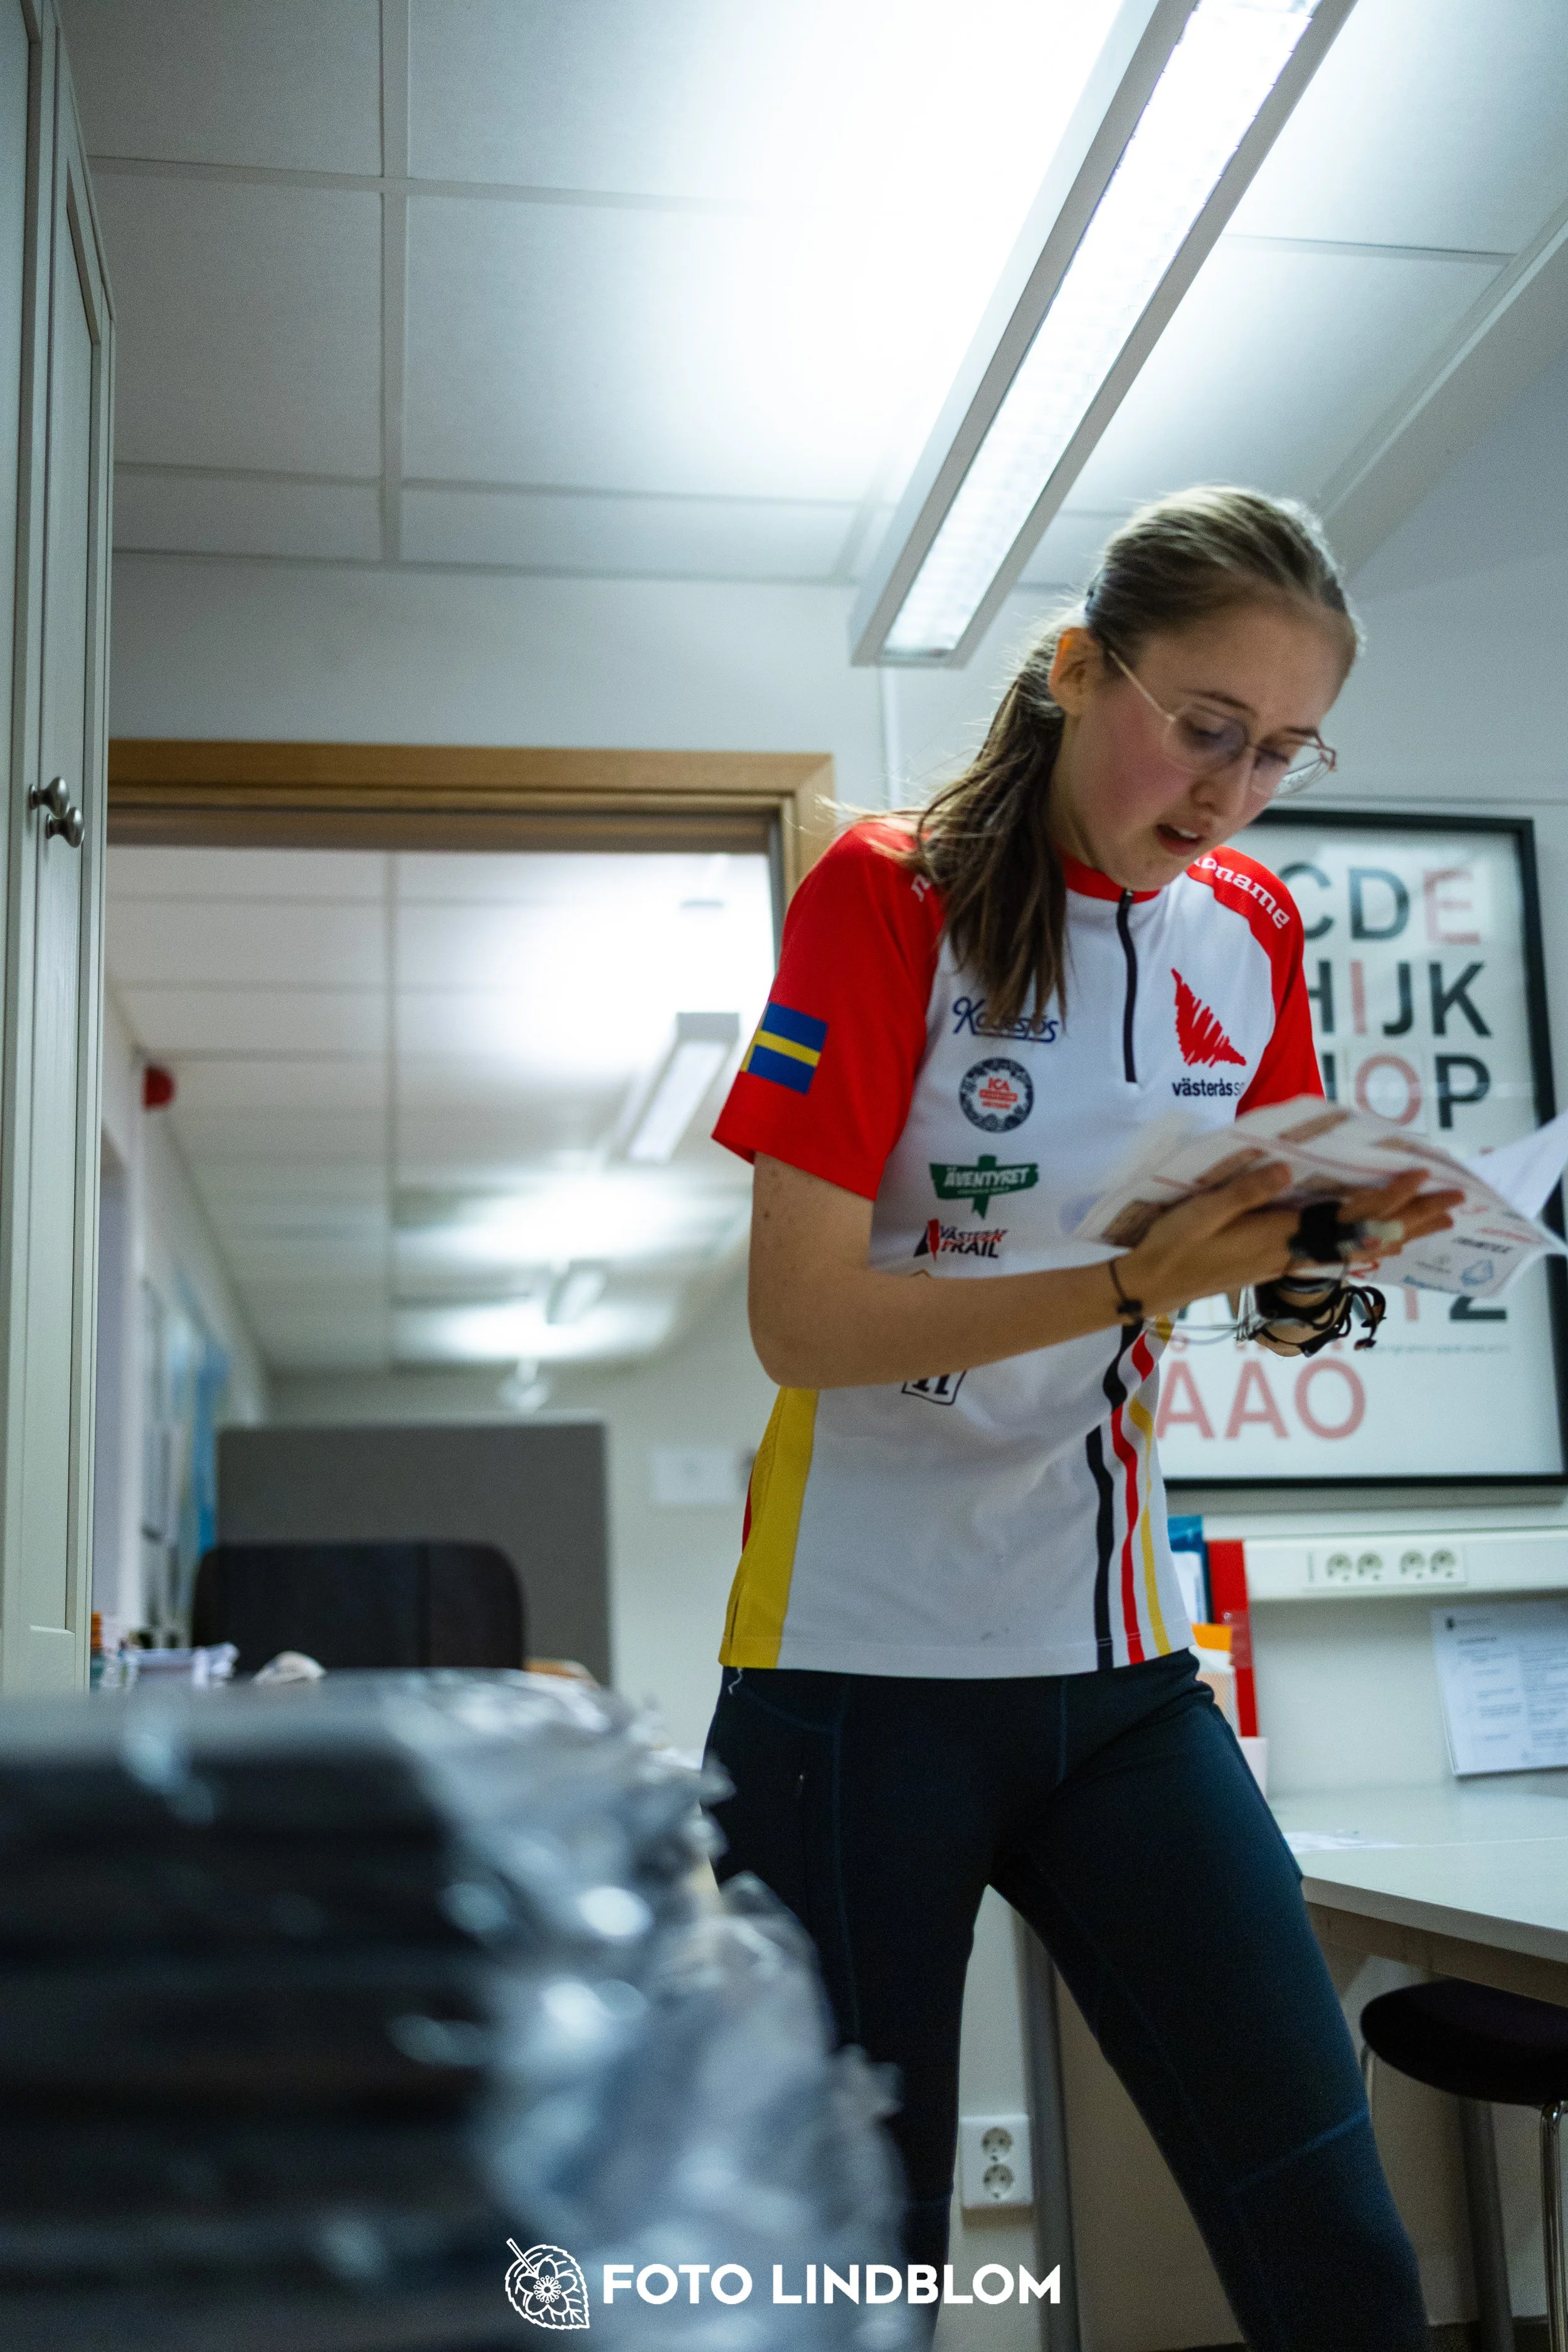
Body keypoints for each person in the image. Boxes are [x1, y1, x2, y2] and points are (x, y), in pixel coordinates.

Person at [704, 487, 1462, 2350]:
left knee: (1338, 2254)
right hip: (849, 1681)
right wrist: (1138, 1281)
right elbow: (797, 1323)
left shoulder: (1246, 924)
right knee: (852, 2280)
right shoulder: (886, 896)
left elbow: (1270, 1250)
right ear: (1072, 670)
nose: (1230, 791)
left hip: (1116, 1668)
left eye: (1280, 750)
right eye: (1203, 727)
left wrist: (1319, 1264)